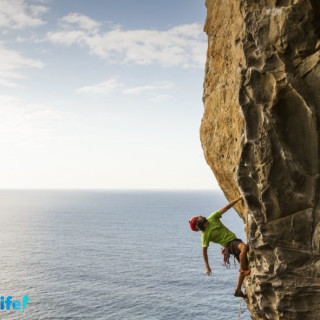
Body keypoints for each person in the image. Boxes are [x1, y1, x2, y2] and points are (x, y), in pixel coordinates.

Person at [189, 196, 250, 298]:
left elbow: (226, 208)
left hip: (235, 241)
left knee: (245, 264)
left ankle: (238, 290)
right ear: (199, 224)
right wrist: (207, 266)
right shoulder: (205, 236)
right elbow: (204, 251)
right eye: (198, 217)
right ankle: (243, 270)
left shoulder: (212, 217)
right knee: (244, 248)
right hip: (230, 245)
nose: (200, 215)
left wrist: (239, 198)